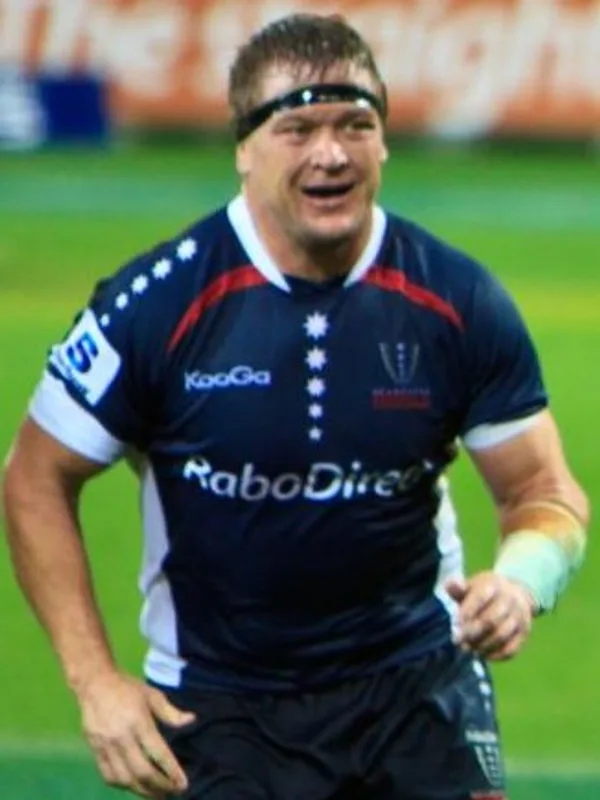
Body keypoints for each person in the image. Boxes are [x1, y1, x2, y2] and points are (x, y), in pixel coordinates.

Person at [1, 12, 589, 800]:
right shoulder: (156, 305)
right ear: (244, 148)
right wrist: (95, 684)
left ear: (384, 142)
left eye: (355, 125)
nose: (331, 154)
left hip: (417, 684)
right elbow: (35, 476)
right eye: (299, 128)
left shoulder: (457, 300)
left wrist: (521, 582)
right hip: (221, 701)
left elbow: (544, 493)